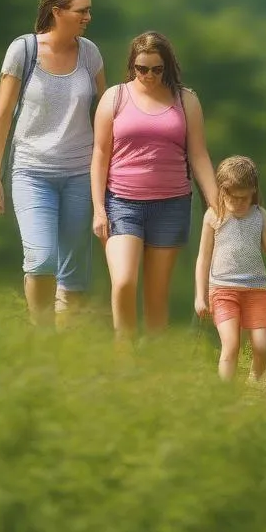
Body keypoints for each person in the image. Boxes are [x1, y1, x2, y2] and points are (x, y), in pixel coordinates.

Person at [0, 0, 106, 326]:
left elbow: (105, 115)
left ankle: (64, 356)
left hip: (80, 174)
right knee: (40, 259)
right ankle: (40, 336)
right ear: (57, 11)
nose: (87, 17)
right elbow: (2, 115)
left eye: (88, 11)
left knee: (74, 269)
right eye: (81, 11)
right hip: (31, 171)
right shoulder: (23, 51)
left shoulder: (90, 54)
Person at [91, 31, 217, 342]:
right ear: (132, 66)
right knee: (123, 282)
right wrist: (98, 208)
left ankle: (155, 369)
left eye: (156, 69)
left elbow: (199, 154)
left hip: (171, 204)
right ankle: (124, 356)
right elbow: (100, 154)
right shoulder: (115, 97)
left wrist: (217, 203)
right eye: (142, 68)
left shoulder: (185, 100)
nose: (149, 75)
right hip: (122, 202)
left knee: (157, 299)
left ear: (167, 67)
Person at [194, 156, 266, 382]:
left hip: (256, 289)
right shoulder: (214, 216)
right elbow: (203, 259)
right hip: (223, 289)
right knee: (230, 346)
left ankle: (253, 383)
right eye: (234, 197)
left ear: (254, 191)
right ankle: (226, 394)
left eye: (246, 197)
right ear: (222, 191)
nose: (240, 203)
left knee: (261, 347)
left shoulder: (259, 215)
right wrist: (200, 296)